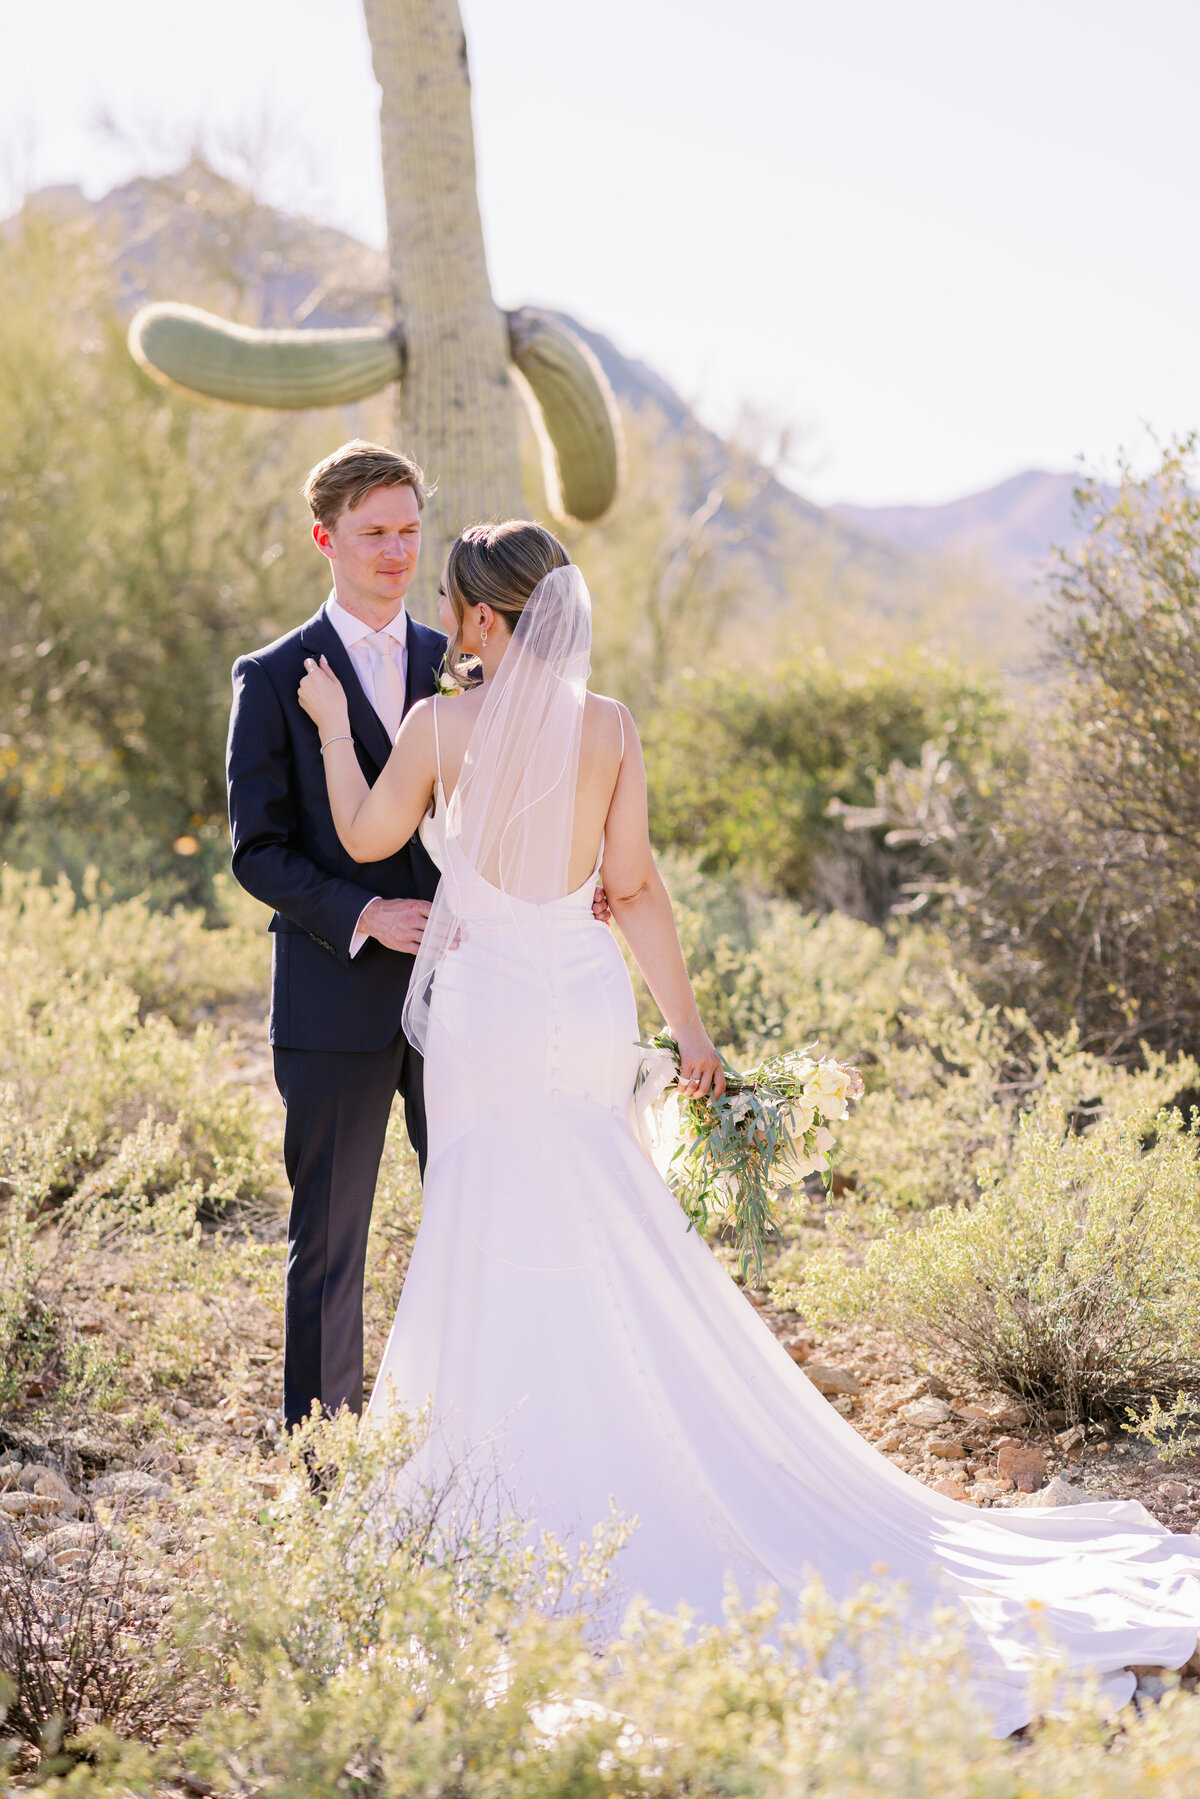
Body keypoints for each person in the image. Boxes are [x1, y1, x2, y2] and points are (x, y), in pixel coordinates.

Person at [296, 518, 1200, 1737]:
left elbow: (362, 840)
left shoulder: (437, 728)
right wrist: (691, 1030)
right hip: (579, 996)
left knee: (481, 1208)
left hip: (485, 1009)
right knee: (600, 1206)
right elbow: (638, 888)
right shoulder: (607, 725)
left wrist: (322, 724)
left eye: (461, 605)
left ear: (481, 616)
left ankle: (495, 1473)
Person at [226, 440, 447, 1432]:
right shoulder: (273, 677)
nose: (398, 551)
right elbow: (257, 848)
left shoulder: (463, 662)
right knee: (329, 1243)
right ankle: (326, 1471)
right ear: (327, 538)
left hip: (464, 993)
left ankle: (471, 1448)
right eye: (375, 533)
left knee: (474, 1217)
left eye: (409, 529)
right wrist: (362, 913)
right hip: (332, 997)